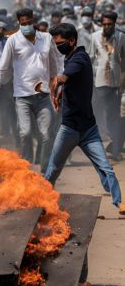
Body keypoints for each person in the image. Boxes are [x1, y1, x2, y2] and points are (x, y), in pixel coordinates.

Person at [45, 23, 125, 215]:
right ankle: (42, 201)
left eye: (61, 43)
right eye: (55, 43)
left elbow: (65, 77)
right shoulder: (69, 56)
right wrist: (57, 96)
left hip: (88, 130)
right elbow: (69, 85)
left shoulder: (79, 58)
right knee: (53, 169)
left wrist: (56, 83)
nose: (58, 46)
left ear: (72, 41)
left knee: (105, 168)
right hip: (69, 128)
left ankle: (120, 203)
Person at [0, 8, 61, 173]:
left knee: (47, 134)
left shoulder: (46, 38)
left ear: (33, 21)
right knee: (25, 132)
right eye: (24, 23)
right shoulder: (13, 40)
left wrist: (56, 81)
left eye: (29, 22)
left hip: (43, 95)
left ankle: (45, 169)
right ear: (19, 23)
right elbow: (2, 66)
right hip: (22, 96)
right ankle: (26, 168)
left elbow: (55, 61)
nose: (27, 25)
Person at [88, 11, 125, 160]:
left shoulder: (122, 37)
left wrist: (123, 81)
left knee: (113, 115)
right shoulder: (95, 37)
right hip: (99, 81)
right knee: (99, 113)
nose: (106, 27)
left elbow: (124, 62)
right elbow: (90, 58)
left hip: (116, 83)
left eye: (109, 24)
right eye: (104, 24)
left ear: (115, 24)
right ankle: (101, 147)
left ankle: (114, 148)